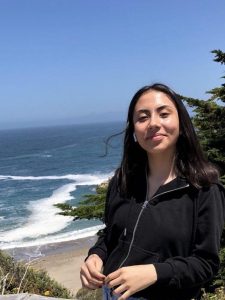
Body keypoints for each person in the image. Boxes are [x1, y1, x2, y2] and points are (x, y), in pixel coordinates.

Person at [80, 83, 225, 300]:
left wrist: (154, 272)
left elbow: (206, 263)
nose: (154, 123)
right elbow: (111, 236)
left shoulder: (204, 188)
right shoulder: (122, 182)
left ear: (181, 123)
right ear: (135, 131)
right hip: (111, 294)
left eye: (164, 114)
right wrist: (96, 256)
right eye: (142, 117)